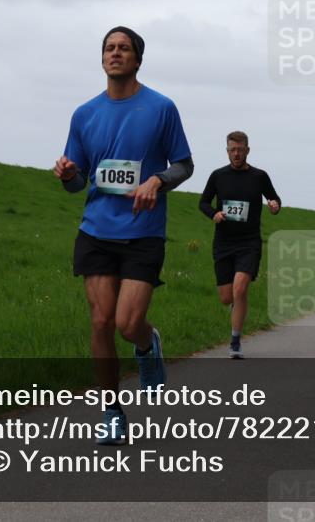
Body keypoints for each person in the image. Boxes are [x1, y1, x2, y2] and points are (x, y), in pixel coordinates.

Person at [54, 26, 194, 445]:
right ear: (102, 59)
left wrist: (157, 181)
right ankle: (111, 411)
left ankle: (147, 342)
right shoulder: (84, 114)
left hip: (143, 231)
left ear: (137, 59)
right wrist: (67, 174)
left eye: (124, 49)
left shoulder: (161, 107)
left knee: (127, 323)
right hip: (96, 229)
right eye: (109, 48)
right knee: (100, 322)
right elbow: (77, 183)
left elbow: (184, 165)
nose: (115, 54)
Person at [198, 131, 281, 359]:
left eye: (240, 149)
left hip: (249, 241)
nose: (236, 153)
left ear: (247, 150)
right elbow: (203, 203)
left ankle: (235, 341)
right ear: (227, 151)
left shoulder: (259, 176)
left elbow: (275, 199)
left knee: (240, 287)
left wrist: (274, 205)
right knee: (227, 297)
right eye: (232, 150)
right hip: (224, 241)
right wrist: (214, 213)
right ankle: (237, 310)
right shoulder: (218, 176)